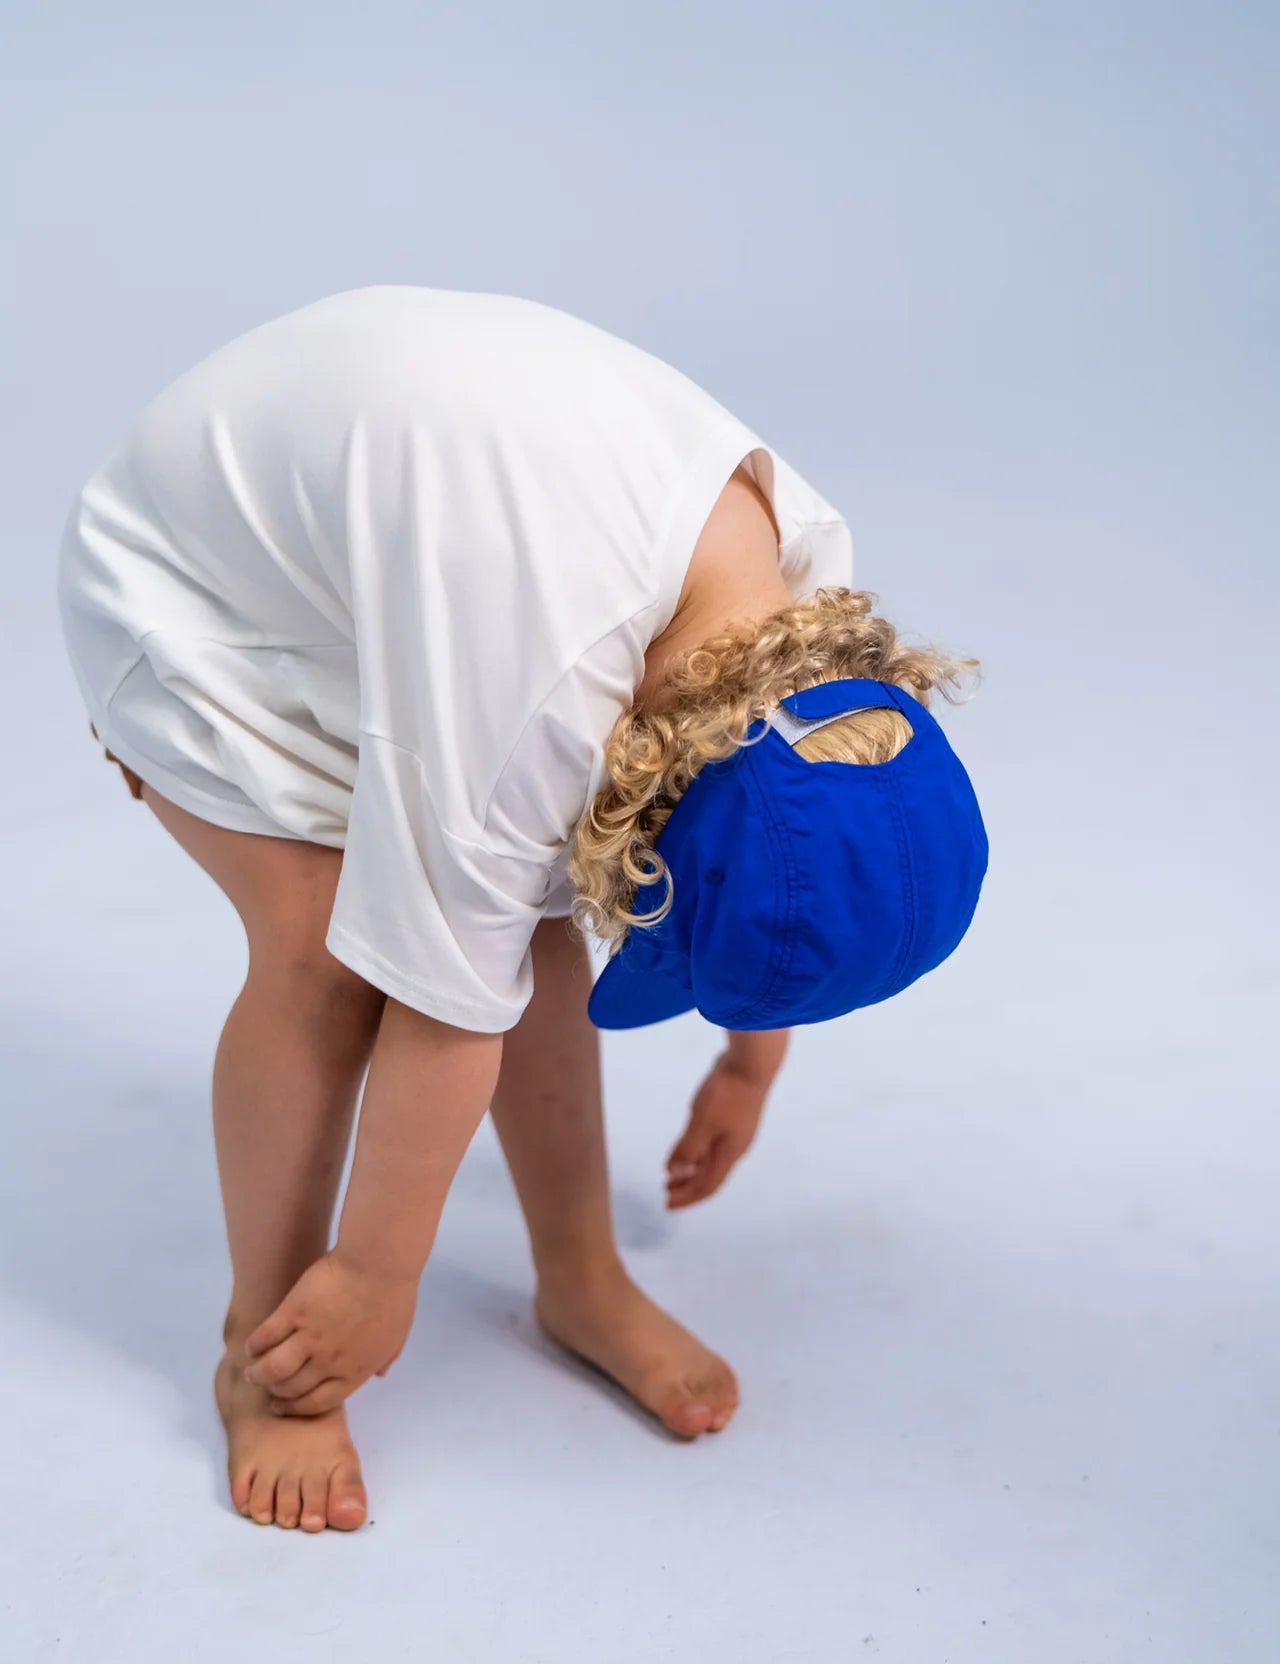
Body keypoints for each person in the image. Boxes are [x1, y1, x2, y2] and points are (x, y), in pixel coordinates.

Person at [56, 285, 987, 1534]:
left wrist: (750, 1062)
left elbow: (803, 862)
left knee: (521, 898)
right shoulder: (535, 690)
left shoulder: (809, 632)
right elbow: (444, 1013)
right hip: (199, 585)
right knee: (329, 956)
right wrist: (374, 1279)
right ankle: (267, 1351)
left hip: (393, 558)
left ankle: (579, 1277)